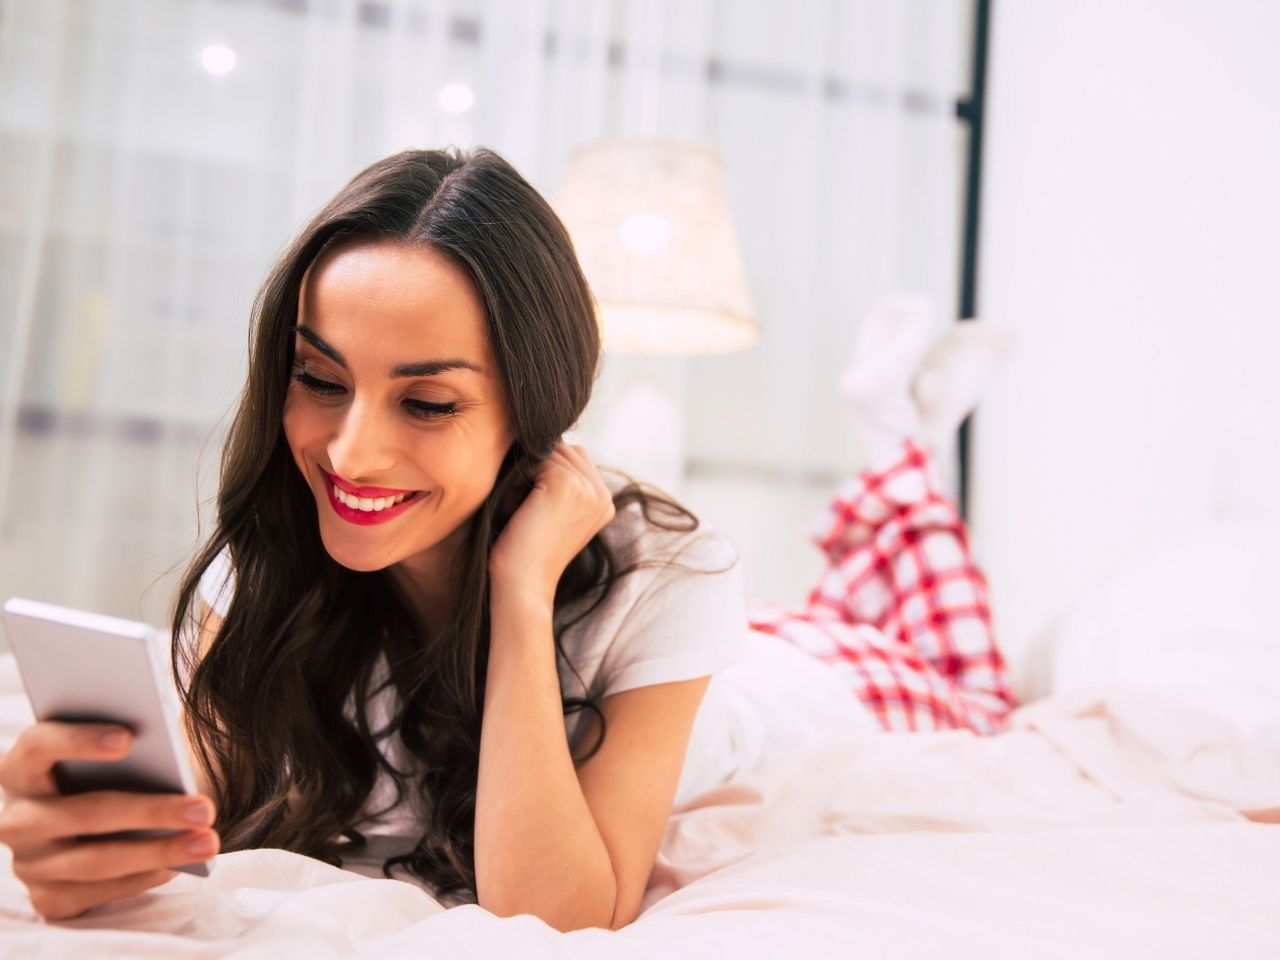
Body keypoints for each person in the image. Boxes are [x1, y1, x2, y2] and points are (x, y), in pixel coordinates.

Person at [0, 147, 1018, 932]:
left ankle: (900, 446)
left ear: (530, 414)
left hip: (822, 687)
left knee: (963, 681)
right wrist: (81, 843)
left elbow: (561, 917)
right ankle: (898, 449)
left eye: (428, 402)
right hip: (740, 647)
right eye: (319, 380)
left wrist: (522, 596)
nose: (350, 453)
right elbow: (207, 799)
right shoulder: (272, 558)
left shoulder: (666, 572)